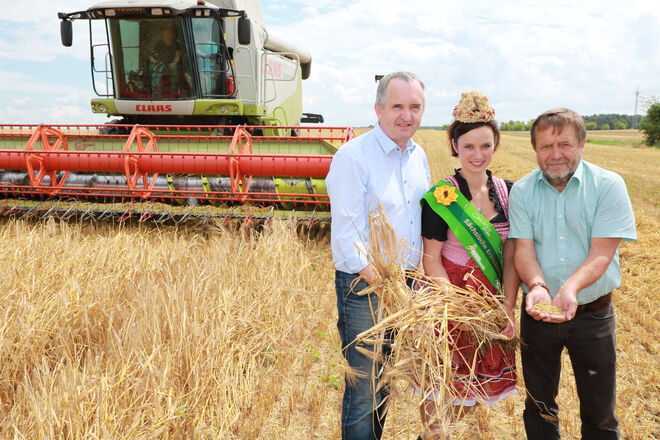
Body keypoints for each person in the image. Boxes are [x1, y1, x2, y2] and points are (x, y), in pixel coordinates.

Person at [508, 108, 636, 439]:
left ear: (582, 144)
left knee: (599, 412)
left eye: (564, 144)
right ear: (535, 149)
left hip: (592, 315)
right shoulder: (522, 191)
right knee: (539, 407)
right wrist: (536, 285)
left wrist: (570, 289)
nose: (555, 155)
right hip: (538, 313)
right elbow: (523, 250)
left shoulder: (608, 186)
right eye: (545, 146)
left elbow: (602, 253)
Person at [326, 71, 430, 440]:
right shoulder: (354, 157)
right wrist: (387, 284)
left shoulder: (419, 157)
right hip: (365, 286)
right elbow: (348, 237)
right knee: (364, 387)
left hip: (407, 283)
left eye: (415, 107)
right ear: (378, 109)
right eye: (397, 106)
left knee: (386, 379)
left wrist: (414, 284)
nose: (406, 115)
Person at [419, 90, 519, 438]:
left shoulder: (509, 192)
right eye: (469, 146)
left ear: (496, 145)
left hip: (490, 302)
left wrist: (506, 306)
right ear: (454, 145)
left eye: (486, 146)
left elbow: (510, 255)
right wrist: (456, 305)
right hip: (451, 302)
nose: (478, 155)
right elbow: (430, 259)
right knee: (441, 386)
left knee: (469, 393)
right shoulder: (442, 197)